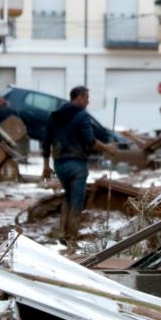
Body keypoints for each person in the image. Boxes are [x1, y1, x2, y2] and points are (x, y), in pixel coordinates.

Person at [41, 86, 115, 242]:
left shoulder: (55, 116)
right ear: (79, 98)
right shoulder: (82, 116)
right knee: (76, 199)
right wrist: (107, 148)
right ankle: (71, 236)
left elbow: (46, 141)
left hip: (59, 164)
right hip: (77, 164)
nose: (88, 102)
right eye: (87, 98)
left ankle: (63, 232)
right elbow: (90, 140)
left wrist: (46, 166)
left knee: (68, 196)